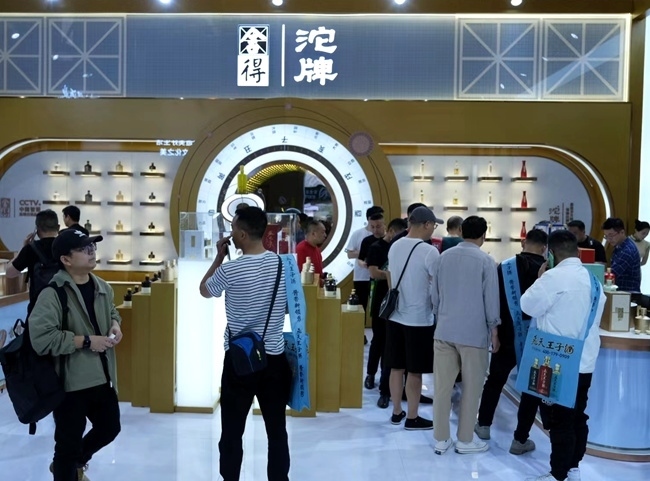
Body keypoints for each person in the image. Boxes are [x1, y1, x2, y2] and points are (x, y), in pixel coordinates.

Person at [200, 207, 291, 481]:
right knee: (277, 430)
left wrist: (218, 258)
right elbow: (289, 307)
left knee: (232, 431)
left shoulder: (230, 269)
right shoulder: (283, 265)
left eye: (233, 230)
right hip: (275, 358)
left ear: (241, 234)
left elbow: (205, 290)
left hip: (240, 360)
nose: (230, 235)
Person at [29, 229, 123, 481]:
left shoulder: (102, 287)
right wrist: (87, 341)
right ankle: (68, 467)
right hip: (69, 384)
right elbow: (41, 339)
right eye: (83, 249)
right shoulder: (53, 294)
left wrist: (115, 325)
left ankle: (74, 465)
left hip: (102, 376)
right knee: (67, 446)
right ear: (66, 259)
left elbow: (112, 312)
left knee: (110, 428)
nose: (91, 252)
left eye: (92, 247)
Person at [522, 230, 606, 481]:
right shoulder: (594, 281)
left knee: (560, 420)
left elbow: (527, 305)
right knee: (578, 415)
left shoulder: (553, 278)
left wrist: (540, 278)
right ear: (577, 251)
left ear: (550, 253)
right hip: (584, 360)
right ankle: (573, 468)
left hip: (557, 360)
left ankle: (558, 474)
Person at [431, 215, 500, 455]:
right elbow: (491, 300)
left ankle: (441, 439)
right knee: (472, 388)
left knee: (442, 388)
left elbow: (434, 295)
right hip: (473, 333)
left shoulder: (443, 257)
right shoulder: (486, 261)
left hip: (445, 329)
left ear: (461, 231)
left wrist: (440, 317)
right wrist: (494, 330)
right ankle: (465, 439)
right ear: (484, 235)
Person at [475, 229, 548, 455]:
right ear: (544, 248)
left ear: (523, 243)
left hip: (506, 336)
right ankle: (520, 439)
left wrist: (494, 333)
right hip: (536, 340)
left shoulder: (504, 267)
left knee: (494, 381)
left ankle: (483, 425)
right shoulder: (548, 272)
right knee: (531, 389)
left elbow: (492, 301)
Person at [385, 207, 440, 431]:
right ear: (426, 224)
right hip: (419, 318)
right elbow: (436, 285)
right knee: (415, 370)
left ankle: (396, 411)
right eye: (434, 225)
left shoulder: (395, 245)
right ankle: (413, 417)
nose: (433, 229)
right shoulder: (429, 252)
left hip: (395, 314)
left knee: (396, 367)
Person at [364, 218, 407, 407]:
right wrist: (390, 274)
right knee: (378, 341)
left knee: (391, 345)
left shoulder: (402, 248)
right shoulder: (376, 248)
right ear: (390, 231)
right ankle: (370, 374)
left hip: (397, 303)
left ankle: (388, 387)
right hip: (381, 301)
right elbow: (373, 272)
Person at [5, 209, 60, 314]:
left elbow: (9, 273)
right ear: (58, 227)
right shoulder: (66, 247)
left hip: (38, 309)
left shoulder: (31, 249)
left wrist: (23, 248)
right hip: (64, 308)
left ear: (37, 230)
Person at [346, 206, 384, 315]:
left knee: (378, 308)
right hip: (361, 277)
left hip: (378, 277)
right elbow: (349, 254)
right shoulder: (358, 234)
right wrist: (367, 253)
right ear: (369, 219)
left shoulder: (384, 236)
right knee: (360, 307)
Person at [602, 217, 641, 293]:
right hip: (621, 293)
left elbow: (611, 275)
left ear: (622, 232)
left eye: (611, 235)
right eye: (606, 236)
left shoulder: (627, 250)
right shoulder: (620, 246)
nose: (609, 239)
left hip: (629, 295)